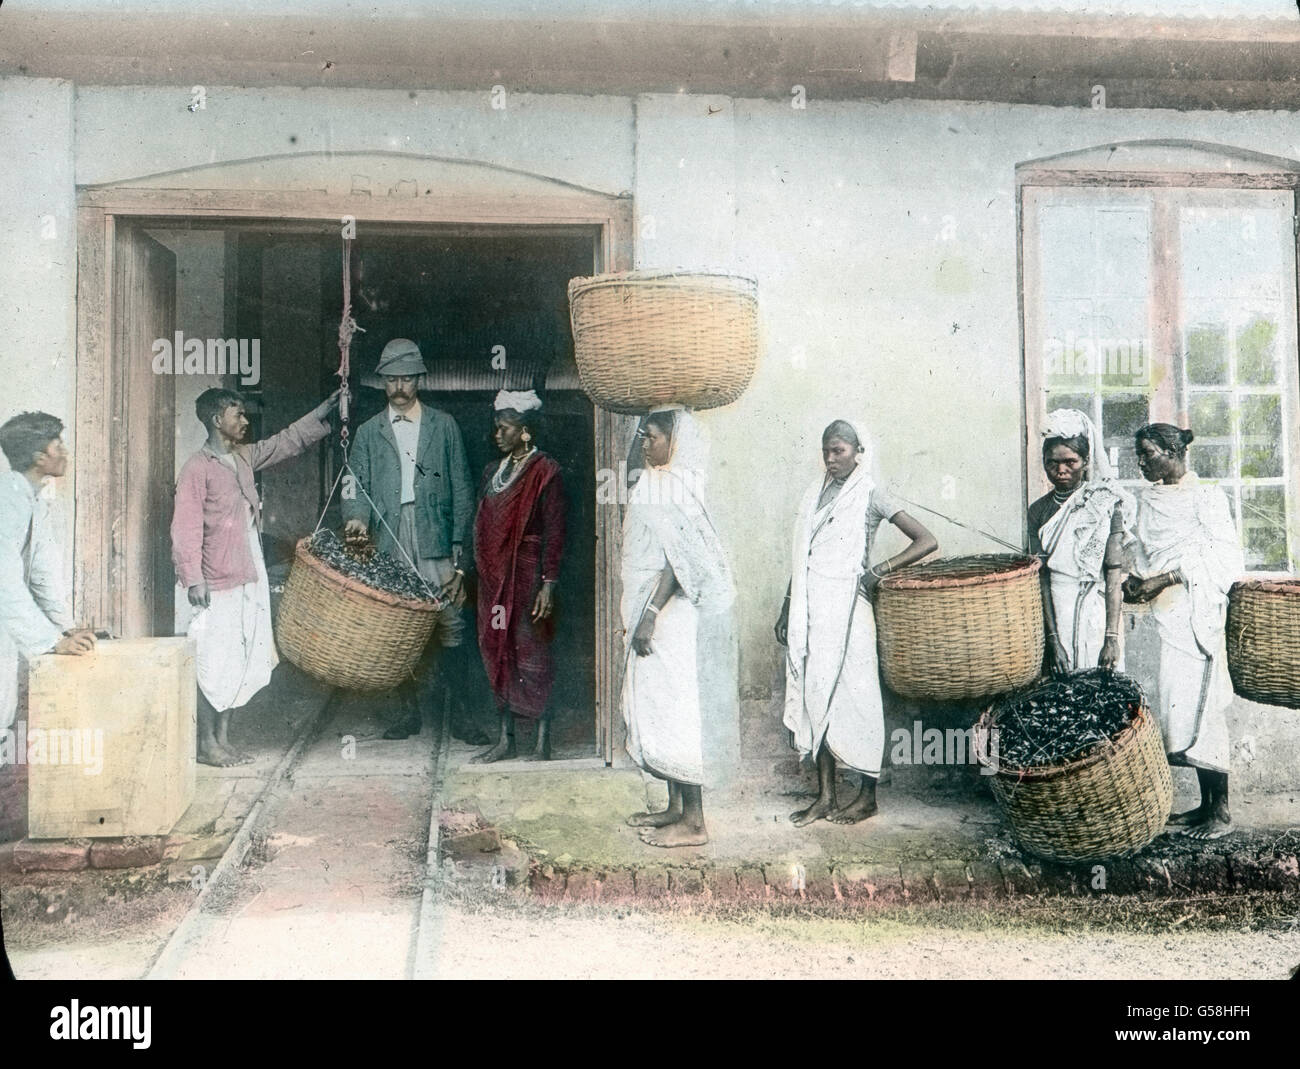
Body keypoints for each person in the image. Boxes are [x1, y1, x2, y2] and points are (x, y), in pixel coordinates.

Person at [776, 420, 938, 827]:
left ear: (857, 451)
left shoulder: (871, 493)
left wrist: (878, 571)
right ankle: (826, 797)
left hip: (851, 609)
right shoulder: (814, 495)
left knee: (859, 699)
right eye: (826, 452)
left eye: (839, 451)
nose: (831, 459)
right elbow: (804, 555)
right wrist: (787, 606)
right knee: (818, 695)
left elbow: (926, 540)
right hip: (814, 609)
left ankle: (867, 797)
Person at [172, 387, 338, 766]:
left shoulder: (243, 457)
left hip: (248, 573)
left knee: (239, 658)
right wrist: (193, 578)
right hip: (215, 579)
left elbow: (287, 441)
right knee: (212, 661)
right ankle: (206, 743)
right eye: (238, 414)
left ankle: (224, 739)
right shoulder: (197, 468)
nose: (245, 421)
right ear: (217, 420)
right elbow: (184, 529)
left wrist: (326, 407)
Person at [342, 338, 488, 744]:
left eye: (407, 378)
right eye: (391, 380)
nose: (399, 387)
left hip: (435, 534)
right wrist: (356, 521)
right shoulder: (369, 433)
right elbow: (354, 486)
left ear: (420, 379)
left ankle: (461, 715)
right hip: (389, 534)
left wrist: (460, 546)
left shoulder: (444, 426)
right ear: (383, 383)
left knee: (452, 621)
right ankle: (408, 714)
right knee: (396, 622)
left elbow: (461, 486)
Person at [621, 407, 738, 848]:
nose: (646, 444)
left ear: (677, 441)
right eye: (643, 436)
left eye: (651, 436)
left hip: (670, 613)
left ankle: (694, 822)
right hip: (648, 606)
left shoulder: (683, 488)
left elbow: (678, 560)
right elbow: (635, 467)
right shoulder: (656, 480)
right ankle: (674, 806)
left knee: (678, 710)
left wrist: (651, 613)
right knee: (658, 707)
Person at [1123, 423, 1244, 841]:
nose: (1140, 461)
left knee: (1205, 706)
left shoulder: (1206, 497)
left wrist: (1169, 577)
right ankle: (1203, 804)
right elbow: (1144, 553)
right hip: (1168, 616)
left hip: (1198, 616)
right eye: (1139, 454)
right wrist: (1138, 582)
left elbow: (1225, 559)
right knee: (1180, 704)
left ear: (1174, 453)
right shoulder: (1148, 500)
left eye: (1148, 453)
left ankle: (1222, 811)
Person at [470, 390, 566, 762]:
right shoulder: (492, 472)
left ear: (525, 431)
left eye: (505, 428)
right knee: (498, 648)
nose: (498, 434)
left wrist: (549, 584)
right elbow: (479, 522)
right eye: (497, 427)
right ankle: (506, 738)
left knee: (532, 650)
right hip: (494, 578)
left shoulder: (546, 472)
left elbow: (555, 532)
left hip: (527, 577)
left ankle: (542, 740)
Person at [0, 412, 96, 731]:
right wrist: (52, 641)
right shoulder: (7, 498)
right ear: (39, 457)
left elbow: (42, 576)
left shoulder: (33, 499)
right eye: (58, 445)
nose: (65, 451)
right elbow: (4, 583)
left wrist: (64, 630)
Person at [1027, 409, 1134, 675]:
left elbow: (1113, 574)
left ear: (1086, 461)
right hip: (1056, 609)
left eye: (1070, 462)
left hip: (1098, 611)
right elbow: (1041, 575)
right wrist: (1052, 641)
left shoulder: (1105, 503)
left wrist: (1111, 638)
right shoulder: (1038, 511)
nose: (1060, 470)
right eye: (1052, 463)